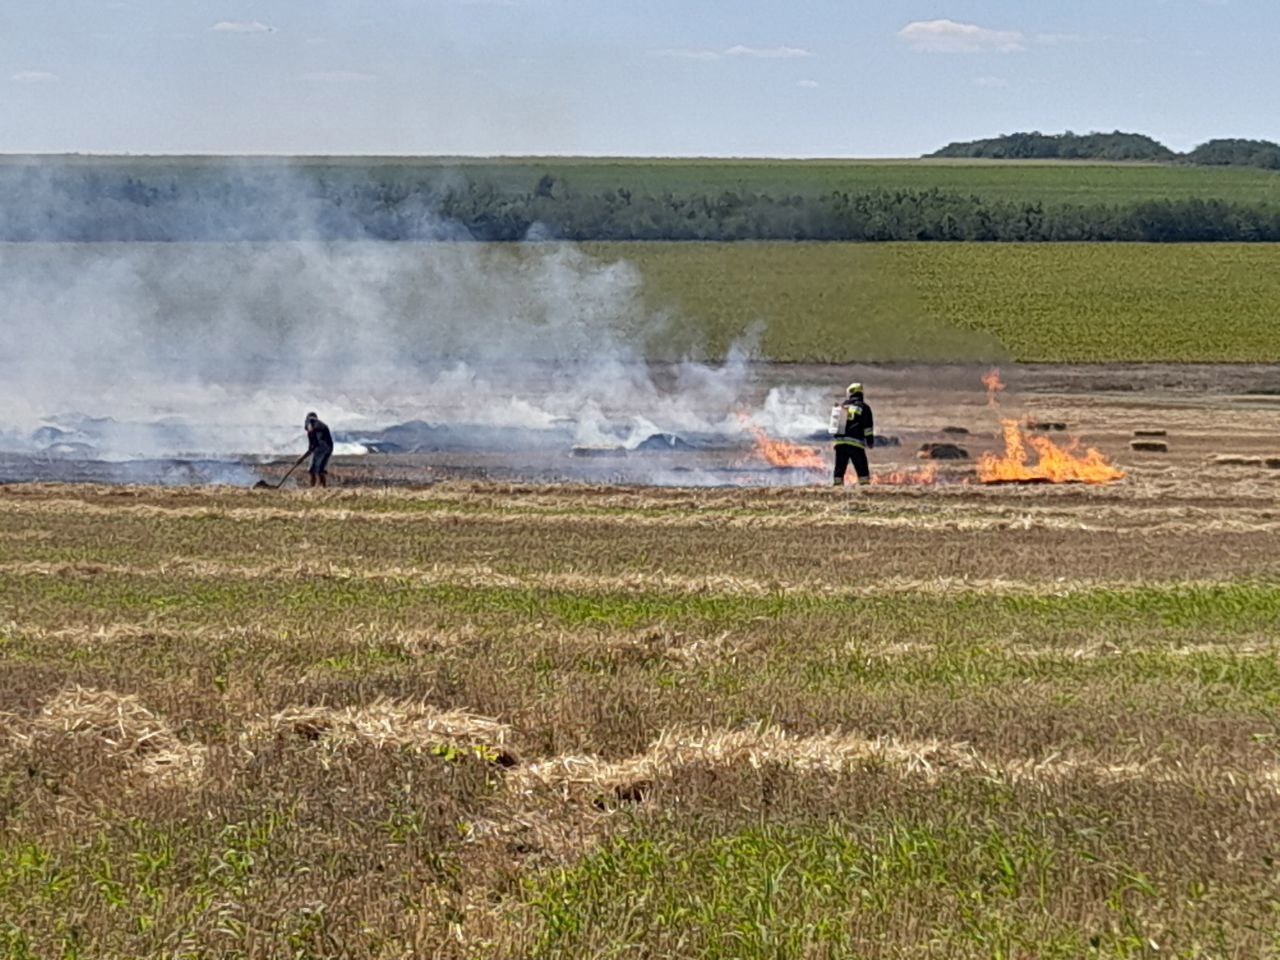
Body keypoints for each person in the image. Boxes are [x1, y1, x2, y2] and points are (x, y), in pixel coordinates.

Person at [830, 383, 874, 486]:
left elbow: (835, 427)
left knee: (839, 469)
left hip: (840, 444)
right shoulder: (864, 408)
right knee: (862, 470)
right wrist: (870, 441)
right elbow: (868, 428)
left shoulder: (842, 406)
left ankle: (837, 489)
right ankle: (864, 488)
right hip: (855, 444)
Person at [304, 412, 334, 488]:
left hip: (322, 447)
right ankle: (321, 488)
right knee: (318, 470)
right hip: (327, 447)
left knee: (315, 470)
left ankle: (315, 488)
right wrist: (310, 448)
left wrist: (310, 448)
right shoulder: (321, 424)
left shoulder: (310, 421)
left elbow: (311, 433)